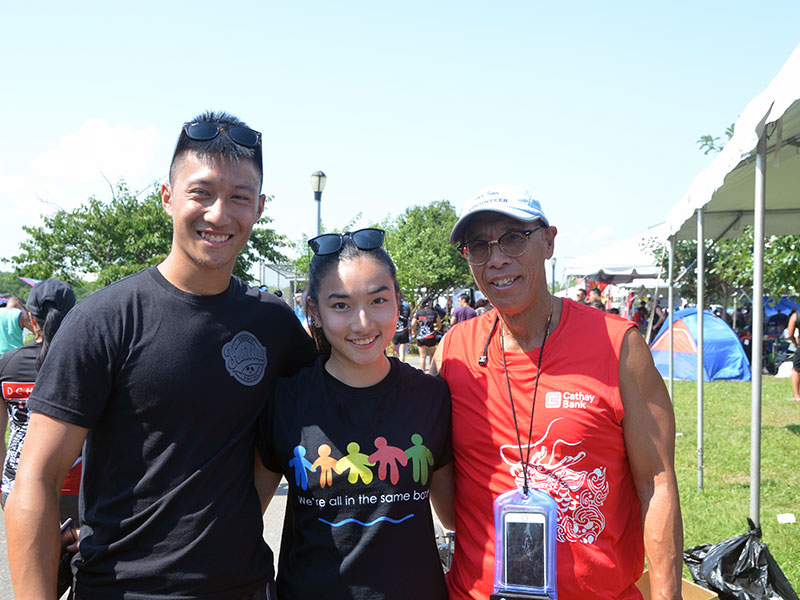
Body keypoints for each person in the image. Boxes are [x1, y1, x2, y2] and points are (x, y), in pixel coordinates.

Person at [6, 111, 317, 600]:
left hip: (245, 587)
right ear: (168, 198)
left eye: (239, 197)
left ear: (258, 208)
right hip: (119, 588)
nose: (219, 214)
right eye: (202, 192)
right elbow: (37, 479)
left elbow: (316, 421)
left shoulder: (275, 326)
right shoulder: (104, 321)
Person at [432, 184, 683, 600]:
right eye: (478, 246)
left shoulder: (618, 345)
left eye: (513, 238)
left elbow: (656, 483)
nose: (496, 259)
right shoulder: (454, 352)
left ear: (548, 241)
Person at [254, 229, 453, 599]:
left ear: (398, 301)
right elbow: (245, 520)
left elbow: (455, 518)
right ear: (314, 311)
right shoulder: (285, 401)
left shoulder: (432, 396)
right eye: (341, 305)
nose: (363, 323)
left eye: (378, 300)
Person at [411, 296, 442, 373]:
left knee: (422, 356)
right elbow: (439, 324)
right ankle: (431, 372)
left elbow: (413, 323)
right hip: (430, 336)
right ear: (429, 303)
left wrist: (413, 331)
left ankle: (422, 372)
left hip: (420, 336)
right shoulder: (434, 313)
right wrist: (436, 328)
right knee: (432, 354)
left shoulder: (418, 312)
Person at [787, 310, 800, 401]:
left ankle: (796, 396)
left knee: (796, 369)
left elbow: (790, 334)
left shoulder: (795, 316)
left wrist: (795, 342)